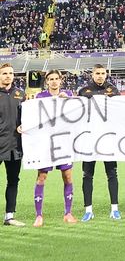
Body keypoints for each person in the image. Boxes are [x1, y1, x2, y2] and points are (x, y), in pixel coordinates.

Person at [30, 70, 78, 226]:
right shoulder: (40, 97)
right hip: (46, 143)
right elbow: (34, 117)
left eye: (57, 78)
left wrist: (70, 100)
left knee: (68, 176)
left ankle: (68, 213)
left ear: (61, 80)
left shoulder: (68, 94)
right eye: (51, 79)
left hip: (64, 142)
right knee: (42, 177)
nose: (54, 81)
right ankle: (38, 216)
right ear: (47, 82)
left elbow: (77, 114)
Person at [78, 64, 121, 221]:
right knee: (87, 174)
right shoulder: (83, 91)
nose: (100, 76)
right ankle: (88, 210)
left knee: (112, 173)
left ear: (106, 74)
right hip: (89, 138)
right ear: (92, 74)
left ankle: (114, 209)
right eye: (97, 73)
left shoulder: (113, 91)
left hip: (108, 138)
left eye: (103, 73)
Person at [0, 63, 25, 226]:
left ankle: (9, 216)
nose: (8, 76)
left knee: (13, 180)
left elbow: (28, 117)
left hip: (15, 145)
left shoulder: (20, 94)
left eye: (10, 73)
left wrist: (24, 125)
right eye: (4, 73)